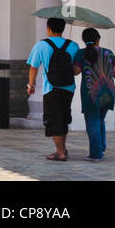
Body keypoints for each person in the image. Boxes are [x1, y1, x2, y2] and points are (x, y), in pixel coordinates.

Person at [26, 16, 80, 161]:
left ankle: (60, 152)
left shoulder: (41, 45)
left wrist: (31, 85)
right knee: (63, 118)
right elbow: (76, 70)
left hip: (51, 88)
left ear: (48, 29)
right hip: (68, 88)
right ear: (63, 29)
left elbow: (34, 67)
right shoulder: (73, 46)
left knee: (54, 119)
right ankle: (62, 149)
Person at [73, 27, 115, 161]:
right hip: (108, 93)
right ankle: (101, 147)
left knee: (92, 122)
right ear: (98, 39)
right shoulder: (109, 53)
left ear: (84, 40)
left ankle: (96, 154)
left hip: (90, 94)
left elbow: (75, 72)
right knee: (99, 119)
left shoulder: (81, 54)